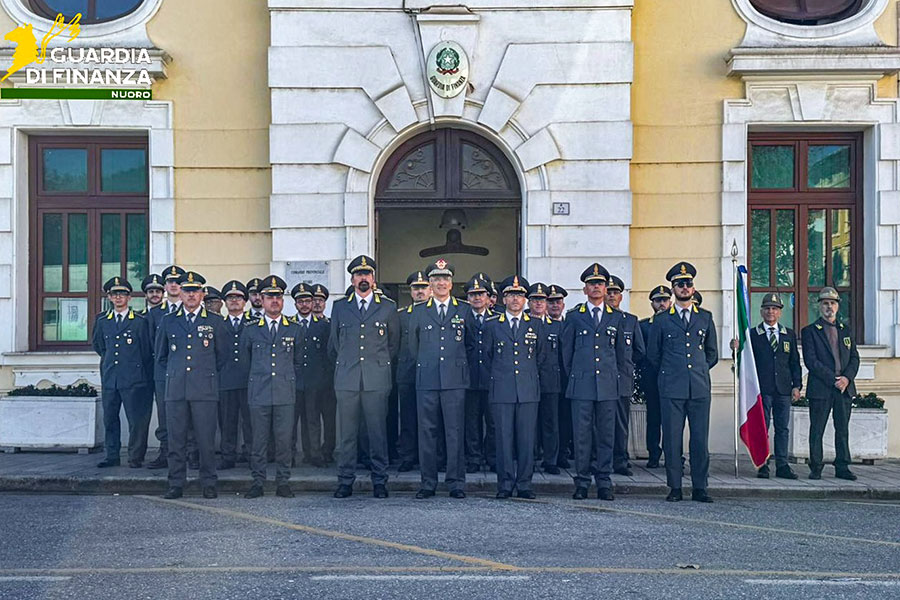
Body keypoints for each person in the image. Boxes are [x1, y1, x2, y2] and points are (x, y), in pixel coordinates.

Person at [646, 262, 718, 503]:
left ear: (693, 287)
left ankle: (700, 487)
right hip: (671, 387)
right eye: (680, 284)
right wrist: (672, 372)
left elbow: (712, 354)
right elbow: (653, 354)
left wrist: (696, 371)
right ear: (673, 288)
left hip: (698, 387)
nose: (685, 287)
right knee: (672, 439)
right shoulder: (663, 320)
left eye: (688, 284)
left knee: (699, 440)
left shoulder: (705, 317)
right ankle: (674, 486)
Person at [329, 255, 399, 499]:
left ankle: (380, 481)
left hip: (376, 379)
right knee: (346, 434)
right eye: (358, 275)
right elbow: (333, 345)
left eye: (367, 274)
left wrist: (375, 366)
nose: (363, 278)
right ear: (352, 279)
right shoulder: (340, 307)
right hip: (347, 379)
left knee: (377, 433)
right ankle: (345, 481)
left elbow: (393, 344)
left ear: (373, 278)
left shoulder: (388, 307)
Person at [156, 271, 227, 500]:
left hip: (204, 390)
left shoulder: (214, 321)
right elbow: (162, 355)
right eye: (187, 291)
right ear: (180, 294)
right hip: (176, 389)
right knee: (176, 440)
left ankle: (208, 483)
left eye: (195, 291)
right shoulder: (169, 320)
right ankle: (176, 483)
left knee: (206, 440)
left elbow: (222, 357)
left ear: (202, 294)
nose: (191, 295)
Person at [561, 263, 625, 501]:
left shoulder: (616, 317)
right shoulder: (574, 316)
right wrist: (577, 377)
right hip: (582, 385)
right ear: (585, 289)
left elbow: (621, 356)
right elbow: (566, 354)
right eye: (591, 284)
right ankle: (582, 481)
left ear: (606, 288)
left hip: (608, 385)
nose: (596, 288)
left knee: (606, 436)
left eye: (600, 284)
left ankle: (604, 481)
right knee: (582, 436)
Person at [408, 259, 471, 499]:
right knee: (427, 432)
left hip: (455, 381)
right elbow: (413, 346)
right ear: (430, 284)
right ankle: (428, 482)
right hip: (427, 380)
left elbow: (472, 344)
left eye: (445, 278)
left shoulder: (463, 309)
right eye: (436, 279)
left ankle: (456, 482)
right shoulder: (419, 310)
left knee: (455, 432)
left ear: (451, 283)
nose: (441, 283)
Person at [243, 276, 303, 499]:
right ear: (261, 299)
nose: (274, 301)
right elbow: (244, 361)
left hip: (284, 393)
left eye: (278, 296)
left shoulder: (294, 329)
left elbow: (297, 362)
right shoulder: (250, 330)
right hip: (258, 393)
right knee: (258, 441)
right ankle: (258, 482)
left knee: (284, 440)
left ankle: (283, 482)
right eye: (270, 297)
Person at [484, 275, 544, 499]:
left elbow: (542, 358)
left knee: (527, 440)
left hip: (528, 390)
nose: (516, 299)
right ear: (504, 298)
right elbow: (487, 357)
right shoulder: (492, 325)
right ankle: (505, 484)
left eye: (520, 295)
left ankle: (525, 484)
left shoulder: (536, 325)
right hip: (502, 390)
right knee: (503, 440)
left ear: (525, 299)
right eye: (511, 295)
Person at [91, 277, 154, 468]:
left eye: (123, 294)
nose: (118, 298)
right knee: (110, 418)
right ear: (109, 298)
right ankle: (112, 455)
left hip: (133, 378)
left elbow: (146, 350)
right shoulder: (102, 320)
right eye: (114, 295)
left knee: (136, 421)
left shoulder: (140, 321)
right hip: (111, 377)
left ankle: (135, 457)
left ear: (129, 298)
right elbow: (99, 346)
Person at [801, 287, 860, 481]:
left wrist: (846, 379)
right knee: (817, 429)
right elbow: (811, 360)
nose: (829, 307)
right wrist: (833, 379)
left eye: (833, 303)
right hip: (821, 387)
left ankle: (842, 466)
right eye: (825, 303)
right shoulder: (810, 331)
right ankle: (816, 467)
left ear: (837, 306)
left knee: (842, 429)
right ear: (819, 306)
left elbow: (854, 358)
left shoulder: (845, 330)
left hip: (844, 388)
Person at [746, 293, 802, 479]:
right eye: (767, 308)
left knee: (782, 429)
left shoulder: (788, 334)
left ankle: (783, 465)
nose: (771, 312)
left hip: (783, 389)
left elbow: (794, 362)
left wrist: (797, 386)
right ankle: (763, 464)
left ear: (780, 313)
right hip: (763, 389)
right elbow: (746, 361)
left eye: (775, 309)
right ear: (761, 312)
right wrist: (737, 348)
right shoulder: (753, 334)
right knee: (763, 428)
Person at [145, 265, 185, 469]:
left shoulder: (190, 309)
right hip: (163, 372)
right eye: (170, 282)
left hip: (187, 371)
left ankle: (190, 453)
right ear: (165, 286)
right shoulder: (154, 314)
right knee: (165, 413)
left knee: (189, 412)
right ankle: (166, 452)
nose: (174, 285)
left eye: (178, 282)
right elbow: (151, 344)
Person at [606, 275, 645, 477]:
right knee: (600, 421)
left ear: (621, 296)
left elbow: (639, 350)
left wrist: (626, 366)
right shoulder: (598, 318)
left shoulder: (630, 320)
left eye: (615, 292)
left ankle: (620, 459)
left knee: (621, 422)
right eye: (609, 292)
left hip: (622, 379)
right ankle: (600, 457)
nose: (611, 295)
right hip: (602, 379)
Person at [291, 282, 330, 468]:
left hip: (315, 382)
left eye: (308, 300)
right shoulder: (289, 324)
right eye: (300, 301)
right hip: (292, 382)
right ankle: (289, 455)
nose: (305, 304)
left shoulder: (322, 326)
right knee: (291, 421)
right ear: (295, 304)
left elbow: (326, 355)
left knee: (313, 419)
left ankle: (314, 454)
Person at [396, 271, 431, 472]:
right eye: (416, 288)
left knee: (430, 418)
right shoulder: (401, 315)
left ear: (430, 289)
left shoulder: (435, 312)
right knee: (408, 418)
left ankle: (432, 456)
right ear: (410, 291)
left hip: (431, 373)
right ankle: (408, 455)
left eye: (423, 287)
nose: (420, 291)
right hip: (407, 372)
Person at [526, 282, 563, 475]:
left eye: (542, 299)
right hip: (528, 381)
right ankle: (529, 458)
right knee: (529, 423)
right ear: (529, 302)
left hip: (550, 381)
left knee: (551, 423)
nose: (539, 303)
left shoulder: (557, 326)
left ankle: (551, 460)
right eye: (535, 299)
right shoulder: (523, 324)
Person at [218, 280, 252, 469]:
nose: (234, 301)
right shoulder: (218, 325)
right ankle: (228, 456)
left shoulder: (253, 324)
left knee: (250, 422)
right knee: (227, 421)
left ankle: (250, 454)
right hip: (226, 380)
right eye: (230, 298)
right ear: (225, 302)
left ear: (245, 302)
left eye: (238, 298)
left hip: (249, 380)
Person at [463, 274, 495, 473]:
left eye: (480, 294)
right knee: (471, 422)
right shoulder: (462, 317)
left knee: (493, 422)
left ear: (488, 297)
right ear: (467, 298)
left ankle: (492, 457)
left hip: (492, 379)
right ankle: (474, 458)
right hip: (469, 378)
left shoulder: (497, 318)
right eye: (473, 294)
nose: (477, 298)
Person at [638, 285, 671, 468]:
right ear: (652, 303)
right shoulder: (644, 326)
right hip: (652, 379)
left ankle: (673, 454)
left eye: (665, 300)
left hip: (673, 380)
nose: (662, 304)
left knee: (672, 420)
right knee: (653, 419)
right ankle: (653, 453)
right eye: (658, 301)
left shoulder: (676, 323)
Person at [546, 284, 572, 469]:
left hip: (569, 381)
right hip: (549, 382)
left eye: (558, 301)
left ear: (563, 304)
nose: (555, 305)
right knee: (550, 422)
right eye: (551, 302)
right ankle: (551, 458)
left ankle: (563, 454)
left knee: (566, 420)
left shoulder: (570, 324)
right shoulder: (540, 326)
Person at [311, 284, 336, 462]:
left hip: (328, 381)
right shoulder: (301, 325)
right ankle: (313, 453)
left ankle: (328, 450)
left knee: (330, 420)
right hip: (310, 381)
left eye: (321, 300)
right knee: (311, 419)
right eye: (315, 300)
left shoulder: (330, 324)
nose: (318, 304)